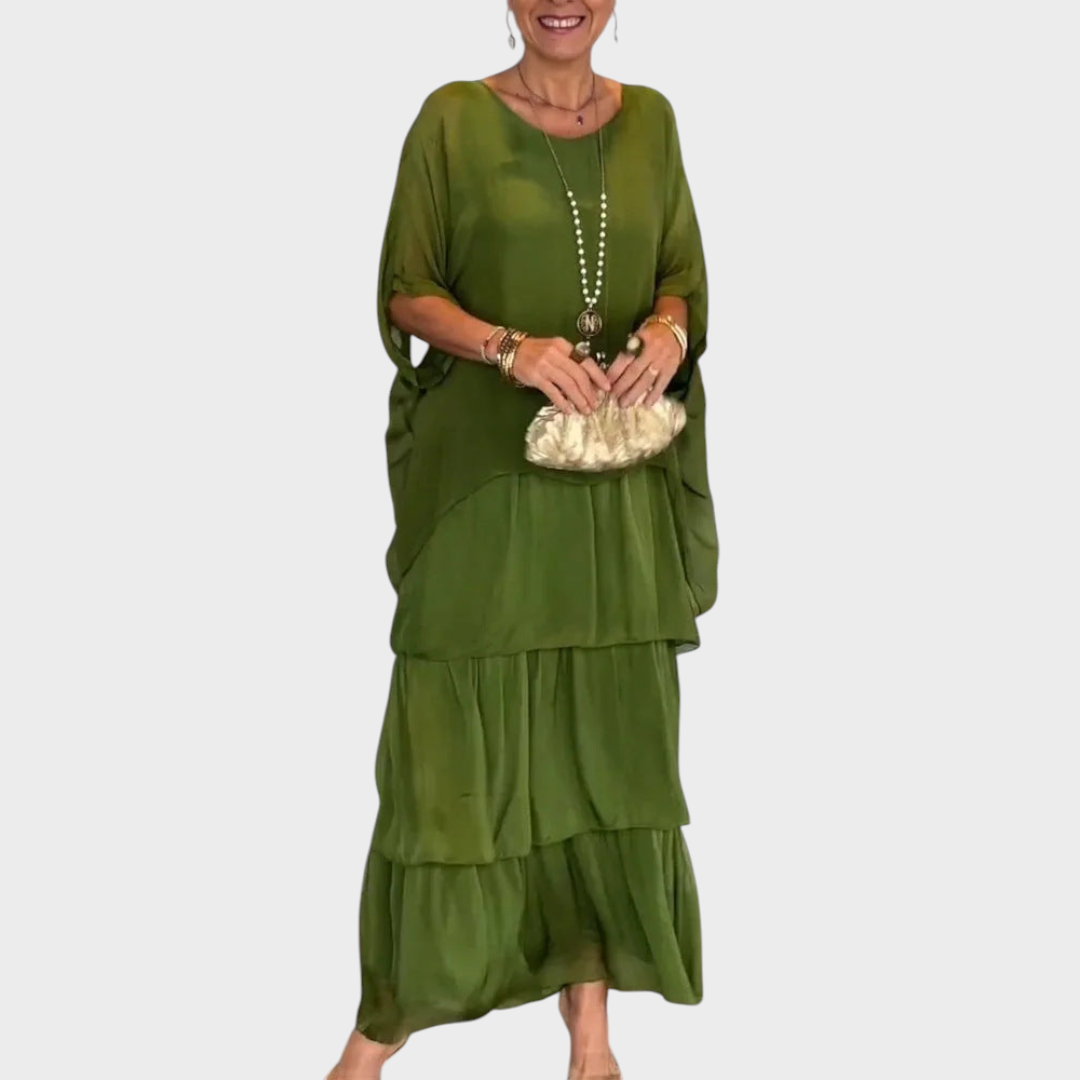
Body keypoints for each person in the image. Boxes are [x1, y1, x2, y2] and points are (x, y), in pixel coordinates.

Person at [324, 2, 718, 1077]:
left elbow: (681, 275)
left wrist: (666, 331)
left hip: (613, 487)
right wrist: (512, 349)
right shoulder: (453, 120)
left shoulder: (653, 122)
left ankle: (592, 1037)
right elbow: (407, 291)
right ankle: (378, 1033)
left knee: (604, 744)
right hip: (487, 486)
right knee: (447, 756)